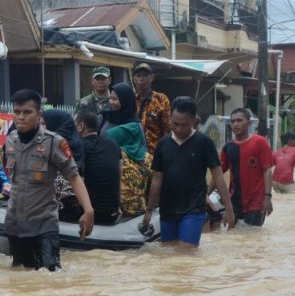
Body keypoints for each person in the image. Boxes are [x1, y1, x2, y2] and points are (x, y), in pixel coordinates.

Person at [3, 89, 94, 270]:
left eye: (27, 112)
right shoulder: (10, 140)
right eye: (17, 112)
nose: (21, 117)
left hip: (44, 224)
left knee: (50, 277)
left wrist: (88, 210)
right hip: (15, 223)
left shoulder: (54, 142)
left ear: (39, 115)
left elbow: (74, 177)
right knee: (20, 275)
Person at [142, 96, 235, 247]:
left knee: (187, 253)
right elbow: (157, 178)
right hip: (167, 209)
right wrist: (149, 210)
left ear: (193, 120)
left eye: (184, 125)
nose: (179, 129)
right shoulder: (163, 144)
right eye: (175, 124)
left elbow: (218, 176)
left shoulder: (204, 142)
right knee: (168, 254)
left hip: (194, 209)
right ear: (170, 118)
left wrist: (229, 208)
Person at [102, 81, 151, 218]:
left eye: (115, 99)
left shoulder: (134, 126)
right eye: (110, 98)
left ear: (125, 100)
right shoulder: (106, 117)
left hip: (130, 180)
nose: (111, 102)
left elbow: (142, 151)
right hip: (107, 175)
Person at [222, 107, 275, 226]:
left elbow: (267, 170)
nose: (236, 124)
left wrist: (268, 198)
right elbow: (218, 174)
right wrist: (206, 194)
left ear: (249, 123)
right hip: (234, 201)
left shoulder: (260, 142)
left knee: (252, 238)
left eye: (240, 120)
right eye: (233, 121)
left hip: (256, 202)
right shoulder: (228, 147)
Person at [75, 111, 122, 226]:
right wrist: (118, 206)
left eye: (74, 125)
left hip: (92, 215)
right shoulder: (112, 143)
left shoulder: (80, 146)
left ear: (81, 126)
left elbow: (79, 180)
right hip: (112, 213)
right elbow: (118, 176)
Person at [131, 61, 171, 160]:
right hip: (133, 152)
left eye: (145, 75)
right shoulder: (130, 99)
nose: (141, 78)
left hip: (154, 153)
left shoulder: (161, 99)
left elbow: (167, 129)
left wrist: (165, 153)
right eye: (138, 75)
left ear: (152, 78)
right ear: (134, 79)